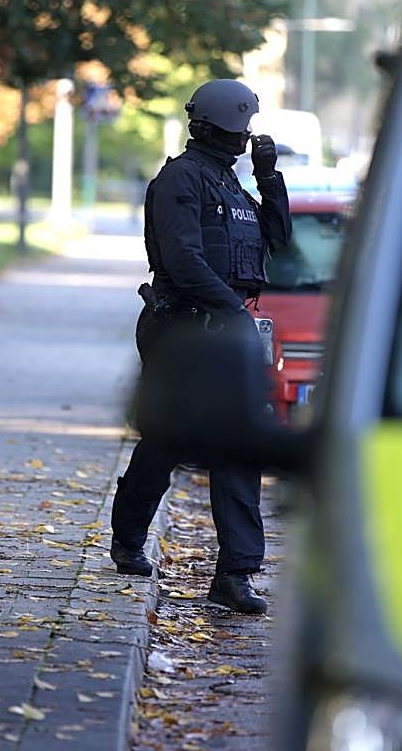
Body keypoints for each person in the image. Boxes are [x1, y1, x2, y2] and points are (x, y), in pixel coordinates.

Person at [110, 78, 291, 614]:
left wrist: (269, 177)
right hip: (182, 327)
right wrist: (233, 313)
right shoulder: (180, 181)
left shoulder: (234, 187)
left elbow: (277, 241)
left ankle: (235, 574)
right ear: (221, 129)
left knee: (238, 445)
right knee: (165, 441)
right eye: (244, 132)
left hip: (227, 329)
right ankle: (127, 536)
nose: (246, 139)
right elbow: (184, 260)